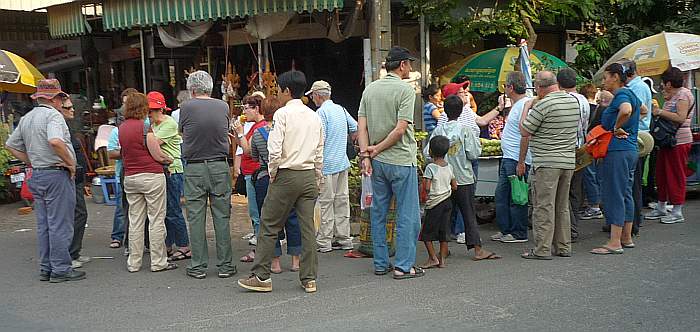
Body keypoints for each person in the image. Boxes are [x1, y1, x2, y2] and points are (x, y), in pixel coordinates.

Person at [237, 70, 323, 293]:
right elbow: (319, 150)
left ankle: (261, 276)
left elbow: (274, 150)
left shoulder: (282, 115)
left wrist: (273, 172)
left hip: (286, 173)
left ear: (286, 90)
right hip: (308, 174)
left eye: (278, 90)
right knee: (307, 228)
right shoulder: (314, 115)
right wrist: (318, 176)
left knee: (269, 224)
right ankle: (309, 278)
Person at [6, 79, 85, 283]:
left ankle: (47, 266)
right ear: (55, 99)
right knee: (61, 223)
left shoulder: (28, 118)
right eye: (60, 97)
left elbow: (11, 145)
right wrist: (70, 163)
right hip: (56, 174)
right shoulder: (53, 117)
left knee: (44, 224)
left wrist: (31, 160)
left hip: (38, 173)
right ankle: (60, 268)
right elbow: (55, 141)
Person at [356, 46, 422, 279]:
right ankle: (404, 266)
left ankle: (381, 263)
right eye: (409, 64)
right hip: (401, 160)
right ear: (402, 65)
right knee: (407, 215)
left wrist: (367, 154)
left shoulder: (370, 90)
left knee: (378, 212)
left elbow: (361, 127)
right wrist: (378, 148)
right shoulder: (405, 91)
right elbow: (401, 128)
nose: (411, 68)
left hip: (377, 164)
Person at [179, 70, 237, 279]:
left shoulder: (186, 107)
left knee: (196, 217)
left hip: (194, 167)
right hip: (219, 166)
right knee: (222, 216)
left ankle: (198, 266)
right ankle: (225, 265)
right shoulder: (222, 106)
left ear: (192, 89)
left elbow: (183, 132)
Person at [427, 95, 500, 260]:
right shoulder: (465, 130)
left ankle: (444, 250)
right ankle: (477, 249)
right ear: (461, 111)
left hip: (443, 180)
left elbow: (428, 153)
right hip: (463, 178)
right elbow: (474, 153)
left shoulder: (438, 131)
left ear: (444, 111)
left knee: (445, 215)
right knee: (468, 213)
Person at [519, 71, 579, 260]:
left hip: (546, 162)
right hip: (568, 161)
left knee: (544, 206)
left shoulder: (544, 104)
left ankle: (542, 248)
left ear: (539, 87)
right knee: (562, 206)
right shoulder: (573, 101)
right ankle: (563, 246)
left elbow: (524, 130)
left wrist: (527, 107)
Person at [239, 96, 302, 273]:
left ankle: (275, 263)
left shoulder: (259, 133)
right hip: (287, 176)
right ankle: (296, 260)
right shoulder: (288, 130)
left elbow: (254, 156)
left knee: (269, 220)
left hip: (265, 177)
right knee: (292, 217)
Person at [119, 93, 177, 273]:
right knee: (156, 219)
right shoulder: (145, 128)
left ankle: (134, 262)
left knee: (135, 220)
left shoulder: (122, 128)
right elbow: (157, 154)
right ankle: (158, 261)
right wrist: (168, 159)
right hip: (151, 176)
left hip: (130, 176)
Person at [590, 61, 641, 255]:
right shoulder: (631, 93)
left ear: (615, 77)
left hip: (617, 151)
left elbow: (626, 110)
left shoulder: (622, 94)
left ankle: (614, 242)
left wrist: (616, 127)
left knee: (615, 194)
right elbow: (642, 110)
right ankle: (625, 237)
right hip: (630, 149)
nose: (604, 82)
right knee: (625, 193)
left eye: (605, 77)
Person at [307, 80, 357, 253]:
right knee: (342, 201)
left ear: (318, 95)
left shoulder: (321, 113)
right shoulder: (341, 109)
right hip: (342, 163)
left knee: (326, 203)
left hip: (327, 165)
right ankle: (344, 238)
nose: (312, 99)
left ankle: (324, 241)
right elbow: (355, 127)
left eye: (313, 95)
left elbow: (321, 139)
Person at [645, 67, 695, 224]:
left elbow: (680, 117)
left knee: (675, 174)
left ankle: (677, 210)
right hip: (668, 141)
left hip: (679, 140)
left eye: (663, 82)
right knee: (662, 174)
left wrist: (659, 112)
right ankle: (661, 205)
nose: (662, 85)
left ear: (668, 82)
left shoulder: (683, 95)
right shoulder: (674, 94)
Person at [146, 91, 190, 261]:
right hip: (163, 169)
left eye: (150, 111)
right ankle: (168, 244)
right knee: (165, 210)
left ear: (159, 110)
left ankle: (184, 245)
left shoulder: (169, 124)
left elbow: (152, 143)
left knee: (173, 209)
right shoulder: (155, 125)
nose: (148, 114)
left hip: (173, 170)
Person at [493, 72, 532, 243]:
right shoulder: (518, 105)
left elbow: (526, 134)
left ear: (511, 87)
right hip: (509, 156)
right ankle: (506, 228)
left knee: (517, 196)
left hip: (517, 158)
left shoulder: (525, 105)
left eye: (506, 87)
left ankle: (518, 231)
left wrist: (522, 161)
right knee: (502, 195)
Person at [557, 68, 590, 242]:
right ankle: (574, 225)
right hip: (581, 146)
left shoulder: (566, 100)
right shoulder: (584, 99)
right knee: (576, 191)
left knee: (564, 190)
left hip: (567, 148)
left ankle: (569, 228)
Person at [57, 97, 90, 269]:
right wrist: (70, 165)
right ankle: (70, 253)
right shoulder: (58, 127)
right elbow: (56, 145)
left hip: (76, 176)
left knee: (79, 214)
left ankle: (74, 252)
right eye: (68, 107)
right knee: (77, 214)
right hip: (69, 176)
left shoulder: (65, 126)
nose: (73, 110)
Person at [621, 62, 652, 235]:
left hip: (638, 136)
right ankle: (629, 221)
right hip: (637, 134)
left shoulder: (637, 87)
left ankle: (633, 221)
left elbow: (641, 111)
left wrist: (621, 123)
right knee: (632, 182)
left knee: (633, 183)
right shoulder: (635, 86)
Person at [419, 135, 456, 269]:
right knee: (443, 231)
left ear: (430, 151)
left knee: (426, 233)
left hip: (435, 203)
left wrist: (425, 193)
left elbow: (427, 187)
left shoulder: (430, 167)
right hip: (447, 201)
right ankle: (442, 259)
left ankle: (432, 257)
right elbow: (455, 185)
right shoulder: (449, 166)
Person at [108, 88, 138, 249]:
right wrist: (128, 150)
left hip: (138, 172)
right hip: (124, 171)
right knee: (122, 206)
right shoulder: (117, 130)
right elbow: (111, 153)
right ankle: (119, 236)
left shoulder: (144, 125)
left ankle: (137, 241)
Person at [238, 94, 267, 247]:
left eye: (246, 108)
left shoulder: (259, 126)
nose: (244, 112)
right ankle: (258, 233)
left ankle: (259, 235)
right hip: (250, 171)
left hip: (254, 172)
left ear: (256, 109)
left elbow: (248, 150)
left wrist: (240, 132)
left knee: (256, 207)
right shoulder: (256, 126)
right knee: (255, 206)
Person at [580, 90, 613, 221]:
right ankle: (599, 204)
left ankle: (594, 206)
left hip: (593, 145)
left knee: (591, 174)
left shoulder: (599, 110)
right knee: (598, 175)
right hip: (601, 146)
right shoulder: (604, 110)